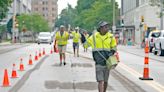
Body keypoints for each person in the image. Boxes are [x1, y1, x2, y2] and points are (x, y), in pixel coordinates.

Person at [84, 21, 117, 92]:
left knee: (105, 81)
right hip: (98, 62)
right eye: (105, 27)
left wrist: (111, 53)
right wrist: (83, 38)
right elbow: (85, 45)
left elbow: (114, 47)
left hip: (108, 62)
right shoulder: (94, 37)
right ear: (101, 28)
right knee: (100, 81)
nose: (107, 28)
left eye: (107, 26)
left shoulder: (111, 37)